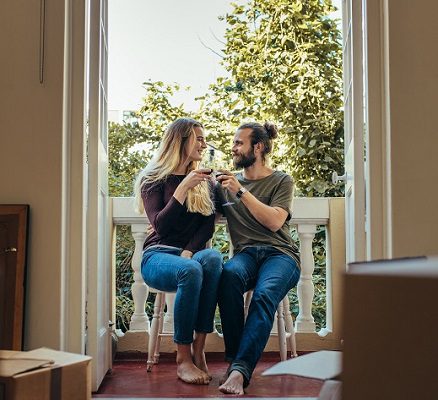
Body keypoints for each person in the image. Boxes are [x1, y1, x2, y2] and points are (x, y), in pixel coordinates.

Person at [133, 118, 222, 385]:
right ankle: (183, 358)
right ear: (181, 141)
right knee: (191, 268)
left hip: (189, 255)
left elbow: (207, 227)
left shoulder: (206, 182)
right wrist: (183, 187)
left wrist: (188, 250)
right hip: (157, 256)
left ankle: (199, 349)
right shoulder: (153, 179)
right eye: (199, 138)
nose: (204, 144)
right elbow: (160, 224)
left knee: (214, 258)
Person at [215, 122, 301, 395]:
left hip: (281, 254)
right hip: (246, 255)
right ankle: (236, 362)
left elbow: (275, 221)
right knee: (227, 275)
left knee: (264, 295)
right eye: (234, 142)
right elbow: (199, 213)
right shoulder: (223, 185)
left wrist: (240, 191)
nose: (233, 147)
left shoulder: (281, 180)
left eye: (239, 143)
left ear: (259, 147)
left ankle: (240, 371)